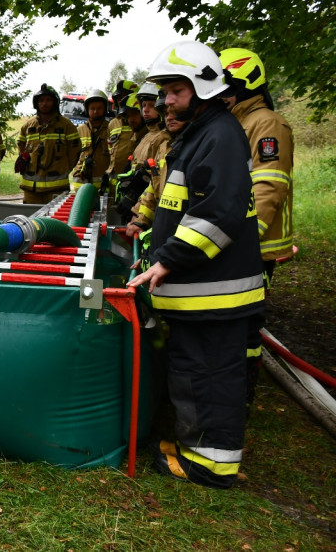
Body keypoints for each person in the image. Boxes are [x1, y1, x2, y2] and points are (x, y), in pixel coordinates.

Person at [129, 40, 265, 489]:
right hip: (202, 290)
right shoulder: (202, 133)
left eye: (176, 90)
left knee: (209, 377)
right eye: (165, 91)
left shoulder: (219, 135)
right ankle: (194, 448)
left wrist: (168, 261)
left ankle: (208, 466)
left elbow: (218, 214)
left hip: (214, 292)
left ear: (203, 87)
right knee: (194, 372)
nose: (166, 100)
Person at [219, 47, 295, 407]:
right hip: (236, 240)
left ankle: (241, 396)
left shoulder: (266, 124)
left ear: (244, 83)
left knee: (245, 324)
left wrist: (245, 240)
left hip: (253, 246)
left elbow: (268, 187)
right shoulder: (237, 121)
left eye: (225, 87)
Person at [15, 83, 81, 204]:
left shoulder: (67, 126)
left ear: (55, 102)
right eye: (41, 100)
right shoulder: (28, 126)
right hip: (31, 189)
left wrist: (64, 167)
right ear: (36, 103)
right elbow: (21, 145)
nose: (44, 103)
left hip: (57, 189)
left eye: (48, 100)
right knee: (31, 216)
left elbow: (75, 151)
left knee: (54, 216)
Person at [115, 83, 169, 223]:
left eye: (151, 105)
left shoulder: (162, 137)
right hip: (136, 204)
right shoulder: (147, 136)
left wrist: (134, 197)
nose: (145, 110)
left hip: (145, 206)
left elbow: (155, 177)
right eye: (143, 105)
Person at [69, 89, 111, 191]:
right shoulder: (79, 131)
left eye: (99, 108)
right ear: (87, 109)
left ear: (105, 109)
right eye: (92, 108)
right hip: (80, 187)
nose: (95, 111)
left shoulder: (111, 129)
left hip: (103, 188)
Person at [106, 79, 140, 190]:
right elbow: (110, 149)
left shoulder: (139, 122)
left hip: (132, 181)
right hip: (113, 183)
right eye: (118, 98)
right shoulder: (112, 124)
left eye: (125, 96)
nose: (121, 101)